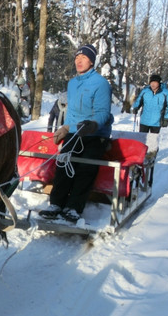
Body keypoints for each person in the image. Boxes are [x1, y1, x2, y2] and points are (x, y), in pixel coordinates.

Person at [39, 44, 113, 223]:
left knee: (85, 168)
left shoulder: (101, 84)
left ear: (91, 61)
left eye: (84, 58)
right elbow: (71, 113)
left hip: (95, 133)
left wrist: (93, 124)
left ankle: (73, 207)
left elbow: (103, 112)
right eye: (77, 58)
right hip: (75, 132)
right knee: (63, 164)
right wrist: (65, 128)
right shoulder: (72, 84)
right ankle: (56, 204)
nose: (79, 61)